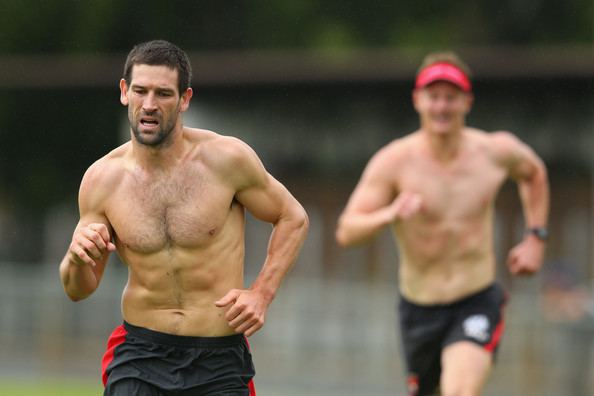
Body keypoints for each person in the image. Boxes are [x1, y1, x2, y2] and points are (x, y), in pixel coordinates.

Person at [59, 40, 309, 396]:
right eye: (141, 91)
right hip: (140, 356)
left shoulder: (226, 159)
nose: (149, 105)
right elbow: (78, 289)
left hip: (218, 359)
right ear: (124, 92)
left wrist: (262, 293)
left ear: (184, 99)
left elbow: (293, 217)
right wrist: (74, 256)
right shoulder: (102, 180)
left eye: (163, 93)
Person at [335, 52, 549, 396]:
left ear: (467, 102)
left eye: (451, 97)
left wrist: (535, 237)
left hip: (475, 299)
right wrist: (388, 214)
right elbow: (347, 230)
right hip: (419, 309)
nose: (442, 107)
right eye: (433, 97)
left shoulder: (494, 152)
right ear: (418, 100)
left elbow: (534, 173)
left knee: (460, 391)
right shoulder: (394, 161)